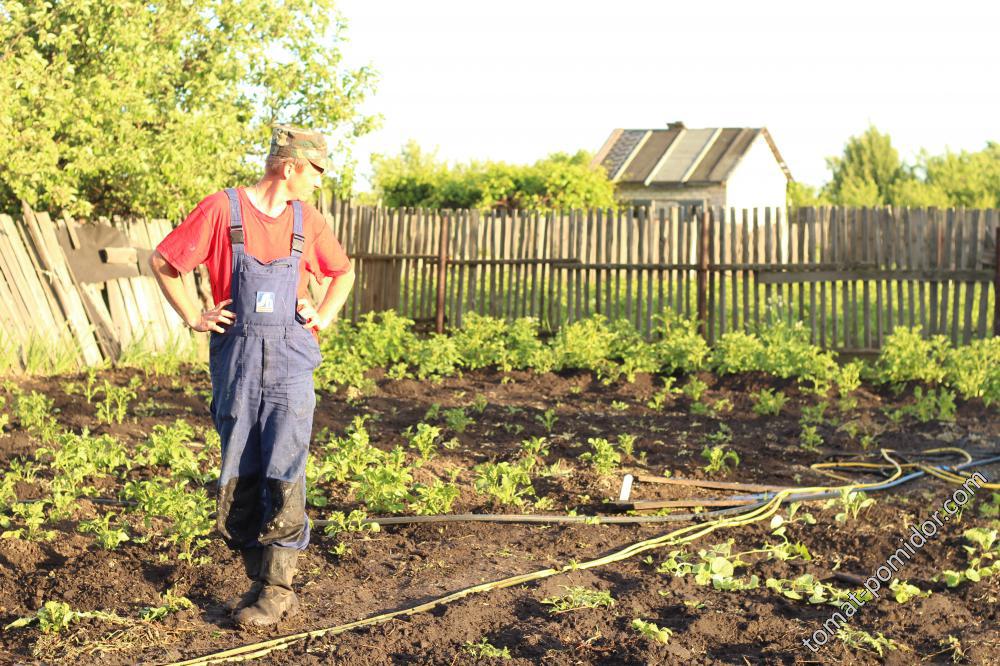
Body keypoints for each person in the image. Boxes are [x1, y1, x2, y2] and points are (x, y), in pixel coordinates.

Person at [148, 125, 355, 626]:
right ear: (291, 168)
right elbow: (162, 261)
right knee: (241, 466)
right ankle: (259, 577)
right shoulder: (223, 210)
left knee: (285, 464)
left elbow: (342, 272)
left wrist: (322, 315)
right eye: (316, 172)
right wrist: (193, 315)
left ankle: (277, 588)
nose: (318, 183)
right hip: (238, 361)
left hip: (289, 361)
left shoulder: (309, 220)